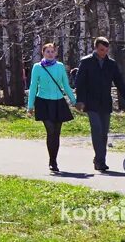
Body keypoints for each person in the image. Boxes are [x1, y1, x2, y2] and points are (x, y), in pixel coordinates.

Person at [75, 35, 125, 172]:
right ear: (95, 48)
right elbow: (80, 83)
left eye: (106, 50)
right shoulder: (86, 62)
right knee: (97, 130)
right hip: (91, 103)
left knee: (104, 133)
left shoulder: (111, 64)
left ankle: (99, 160)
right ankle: (100, 161)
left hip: (105, 103)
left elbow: (120, 83)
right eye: (101, 50)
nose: (104, 53)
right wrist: (80, 101)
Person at [26, 42, 76, 173]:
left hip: (58, 101)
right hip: (43, 102)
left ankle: (54, 160)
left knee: (57, 133)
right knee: (51, 131)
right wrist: (30, 106)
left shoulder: (59, 67)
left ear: (55, 53)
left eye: (52, 51)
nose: (50, 53)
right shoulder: (37, 67)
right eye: (47, 51)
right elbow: (33, 87)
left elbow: (65, 85)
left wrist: (74, 101)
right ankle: (51, 160)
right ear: (43, 53)